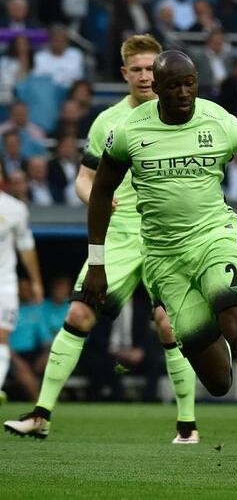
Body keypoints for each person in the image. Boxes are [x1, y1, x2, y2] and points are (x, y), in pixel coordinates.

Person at [80, 49, 237, 467]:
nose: (184, 92)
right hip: (165, 261)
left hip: (215, 239)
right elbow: (101, 192)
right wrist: (96, 263)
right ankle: (217, 309)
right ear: (158, 89)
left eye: (190, 83)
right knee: (218, 381)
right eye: (174, 85)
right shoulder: (128, 131)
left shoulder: (218, 120)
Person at [4, 35, 200, 445]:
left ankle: (187, 426)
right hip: (121, 233)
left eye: (152, 68)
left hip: (166, 233)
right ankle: (41, 415)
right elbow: (85, 177)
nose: (146, 76)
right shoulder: (107, 122)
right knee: (77, 315)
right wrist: (91, 198)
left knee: (168, 326)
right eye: (139, 69)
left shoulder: (187, 114)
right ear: (125, 73)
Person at [0, 190, 44, 405]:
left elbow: (26, 247)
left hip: (4, 283)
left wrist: (36, 282)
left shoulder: (14, 208)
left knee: (1, 336)